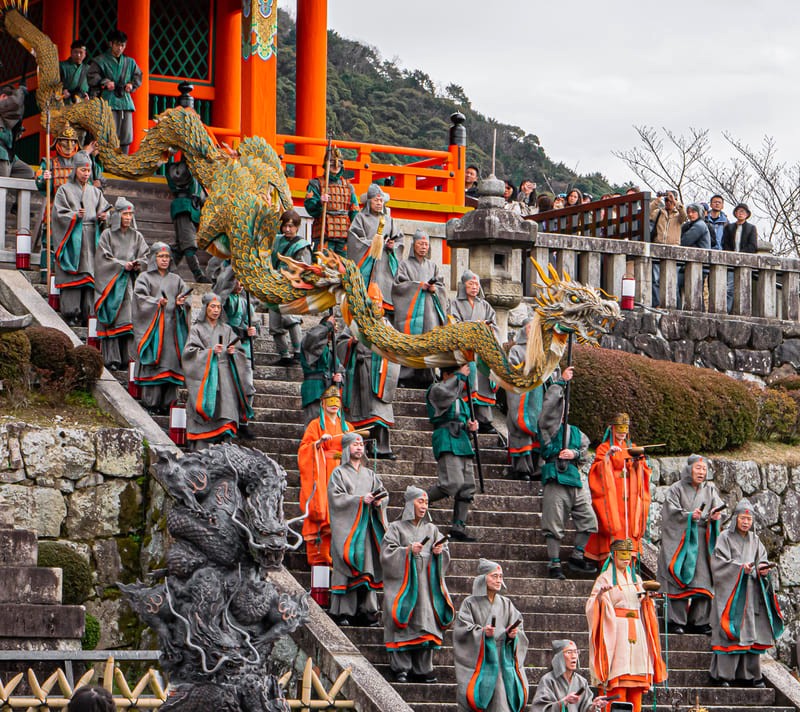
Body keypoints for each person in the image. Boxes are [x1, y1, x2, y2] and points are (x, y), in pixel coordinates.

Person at [381, 486, 454, 683]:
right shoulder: (396, 528)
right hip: (405, 585)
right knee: (403, 619)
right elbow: (387, 554)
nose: (424, 506)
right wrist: (407, 551)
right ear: (410, 503)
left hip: (426, 586)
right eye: (420, 502)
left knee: (426, 623)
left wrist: (440, 553)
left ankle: (423, 668)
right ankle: (401, 667)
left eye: (426, 503)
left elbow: (444, 553)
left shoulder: (432, 529)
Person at [709, 499, 784, 688]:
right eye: (742, 518)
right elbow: (718, 564)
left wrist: (763, 570)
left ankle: (750, 675)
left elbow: (762, 560)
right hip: (732, 594)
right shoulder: (725, 537)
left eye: (748, 520)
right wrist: (740, 569)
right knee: (731, 634)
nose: (745, 522)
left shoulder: (755, 540)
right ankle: (724, 675)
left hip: (751, 593)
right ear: (735, 519)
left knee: (752, 634)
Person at [586, 539, 667, 712]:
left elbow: (642, 604)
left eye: (629, 555)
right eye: (622, 555)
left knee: (636, 686)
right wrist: (601, 597)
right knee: (617, 683)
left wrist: (647, 599)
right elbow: (591, 605)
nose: (626, 559)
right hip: (617, 631)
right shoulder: (605, 578)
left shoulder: (637, 579)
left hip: (637, 630)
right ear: (614, 555)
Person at [656, 454, 724, 635]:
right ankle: (675, 621)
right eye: (698, 468)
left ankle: (700, 621)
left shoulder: (710, 490)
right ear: (689, 470)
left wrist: (715, 517)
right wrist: (688, 516)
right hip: (680, 540)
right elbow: (670, 514)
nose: (701, 472)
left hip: (702, 540)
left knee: (704, 581)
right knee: (677, 579)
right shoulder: (675, 489)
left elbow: (716, 510)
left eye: (704, 469)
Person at [536, 381, 597, 580]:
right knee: (553, 524)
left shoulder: (576, 432)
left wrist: (575, 453)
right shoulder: (547, 428)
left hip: (573, 478)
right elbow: (547, 409)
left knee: (589, 520)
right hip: (555, 477)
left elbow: (585, 452)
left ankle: (577, 555)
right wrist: (560, 382)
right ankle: (554, 563)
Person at [328, 432, 388, 626]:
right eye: (355, 445)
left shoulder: (370, 474)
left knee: (366, 568)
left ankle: (367, 611)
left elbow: (384, 494)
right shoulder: (338, 473)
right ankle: (343, 611)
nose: (359, 448)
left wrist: (379, 501)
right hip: (348, 529)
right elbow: (336, 499)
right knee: (347, 566)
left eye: (361, 444)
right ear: (347, 449)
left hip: (366, 527)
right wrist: (360, 500)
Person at [454, 559, 528, 712]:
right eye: (494, 576)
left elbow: (518, 626)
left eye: (500, 576)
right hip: (481, 657)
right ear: (482, 579)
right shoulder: (469, 603)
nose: (498, 580)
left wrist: (512, 635)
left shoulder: (506, 603)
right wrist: (482, 633)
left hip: (502, 658)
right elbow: (462, 629)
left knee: (501, 698)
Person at [182, 292, 253, 447]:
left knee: (227, 414)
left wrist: (234, 352)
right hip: (206, 376)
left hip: (226, 376)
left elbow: (240, 351)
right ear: (205, 308)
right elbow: (189, 353)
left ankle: (225, 447)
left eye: (219, 307)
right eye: (212, 306)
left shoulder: (227, 329)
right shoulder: (197, 329)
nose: (216, 310)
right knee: (206, 411)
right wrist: (210, 353)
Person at [505, 320, 573, 481]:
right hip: (524, 396)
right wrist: (529, 367)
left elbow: (553, 372)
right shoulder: (516, 350)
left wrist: (561, 378)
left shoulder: (546, 351)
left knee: (541, 430)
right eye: (529, 327)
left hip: (541, 396)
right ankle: (522, 469)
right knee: (521, 432)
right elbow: (510, 373)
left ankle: (538, 468)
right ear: (524, 330)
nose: (532, 331)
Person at [51, 150, 111, 326]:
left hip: (92, 237)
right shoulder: (64, 190)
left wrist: (104, 218)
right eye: (83, 170)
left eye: (88, 170)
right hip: (73, 239)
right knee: (73, 276)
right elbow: (58, 214)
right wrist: (74, 215)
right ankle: (71, 313)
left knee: (90, 276)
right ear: (75, 170)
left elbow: (105, 210)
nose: (86, 174)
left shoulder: (95, 192)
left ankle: (88, 314)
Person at [585, 413, 652, 565]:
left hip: (630, 496)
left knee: (630, 527)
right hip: (612, 495)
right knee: (613, 525)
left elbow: (644, 470)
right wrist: (608, 457)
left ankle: (629, 567)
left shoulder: (632, 448)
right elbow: (596, 470)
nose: (622, 432)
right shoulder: (604, 448)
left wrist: (638, 463)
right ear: (613, 429)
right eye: (619, 428)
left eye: (625, 428)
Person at [132, 242, 190, 414]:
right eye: (161, 256)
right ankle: (152, 402)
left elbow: (185, 300)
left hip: (172, 330)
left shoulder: (176, 280)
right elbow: (139, 299)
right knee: (155, 365)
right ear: (154, 258)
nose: (165, 260)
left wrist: (181, 304)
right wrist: (157, 303)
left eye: (167, 257)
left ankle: (168, 404)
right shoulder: (144, 278)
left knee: (171, 365)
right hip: (155, 330)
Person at [297, 385, 350, 567]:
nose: (334, 404)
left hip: (342, 472)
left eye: (337, 401)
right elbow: (304, 449)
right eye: (330, 400)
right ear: (323, 403)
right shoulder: (315, 425)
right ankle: (320, 553)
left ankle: (340, 553)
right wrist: (318, 443)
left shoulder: (348, 427)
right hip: (323, 470)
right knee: (322, 507)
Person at [94, 197, 149, 369]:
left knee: (129, 321)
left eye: (130, 214)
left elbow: (146, 256)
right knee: (113, 320)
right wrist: (120, 265)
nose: (128, 217)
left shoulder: (137, 236)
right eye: (125, 214)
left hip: (130, 284)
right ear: (118, 215)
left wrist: (138, 264)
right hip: (112, 283)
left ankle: (127, 358)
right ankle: (112, 359)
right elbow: (103, 259)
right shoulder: (107, 235)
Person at [426, 364, 478, 542]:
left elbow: (465, 422)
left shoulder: (462, 401)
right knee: (452, 483)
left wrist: (472, 428)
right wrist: (459, 376)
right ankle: (421, 499)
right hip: (446, 437)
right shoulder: (436, 390)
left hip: (462, 439)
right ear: (446, 374)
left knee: (467, 487)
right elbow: (443, 394)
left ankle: (459, 526)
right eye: (454, 375)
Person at [392, 228, 448, 387]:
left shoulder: (433, 266)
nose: (424, 247)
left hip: (429, 313)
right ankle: (405, 378)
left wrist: (434, 289)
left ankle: (427, 377)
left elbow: (442, 287)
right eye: (420, 243)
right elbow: (398, 287)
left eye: (426, 244)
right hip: (411, 313)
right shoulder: (404, 265)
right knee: (410, 343)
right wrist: (418, 287)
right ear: (413, 246)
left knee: (429, 343)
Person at [338, 327, 399, 460]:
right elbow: (340, 343)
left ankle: (381, 448)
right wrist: (351, 343)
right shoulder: (353, 323)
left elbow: (396, 341)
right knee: (357, 414)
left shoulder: (384, 323)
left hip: (378, 373)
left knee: (379, 413)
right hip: (357, 374)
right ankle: (359, 447)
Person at [448, 271, 499, 434]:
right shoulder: (454, 304)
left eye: (477, 285)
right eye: (471, 284)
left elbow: (495, 326)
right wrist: (474, 326)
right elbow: (452, 324)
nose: (474, 287)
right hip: (465, 351)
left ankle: (484, 420)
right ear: (464, 286)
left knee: (483, 385)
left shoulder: (485, 306)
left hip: (482, 352)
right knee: (468, 385)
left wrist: (488, 327)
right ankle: (467, 419)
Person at [347, 183, 404, 321]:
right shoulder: (361, 218)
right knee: (365, 291)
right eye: (376, 200)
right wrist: (371, 244)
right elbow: (354, 239)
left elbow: (399, 239)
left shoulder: (388, 220)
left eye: (381, 200)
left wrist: (392, 245)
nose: (379, 203)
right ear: (369, 202)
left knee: (387, 289)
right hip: (368, 261)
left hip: (384, 262)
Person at [87, 29, 143, 153]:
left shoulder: (130, 62)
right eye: (117, 44)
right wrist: (105, 82)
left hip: (125, 100)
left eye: (122, 45)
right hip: (108, 99)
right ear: (111, 44)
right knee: (109, 132)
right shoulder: (100, 60)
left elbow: (138, 75)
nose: (120, 48)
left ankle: (123, 159)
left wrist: (131, 85)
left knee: (126, 133)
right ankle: (107, 162)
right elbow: (91, 75)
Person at [270, 209, 311, 365]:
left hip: (291, 286)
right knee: (274, 324)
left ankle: (298, 351)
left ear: (297, 227)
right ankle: (284, 354)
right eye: (285, 226)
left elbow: (304, 269)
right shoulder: (277, 241)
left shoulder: (302, 246)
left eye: (291, 226)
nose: (287, 229)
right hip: (274, 284)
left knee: (291, 319)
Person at [303, 146, 359, 257]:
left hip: (343, 233)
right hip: (324, 230)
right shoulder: (316, 183)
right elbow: (310, 205)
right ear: (326, 164)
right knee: (321, 265)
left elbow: (354, 210)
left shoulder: (348, 186)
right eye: (332, 163)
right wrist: (320, 202)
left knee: (343, 267)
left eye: (338, 163)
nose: (335, 166)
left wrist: (356, 232)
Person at [165, 158, 211, 282]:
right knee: (189, 244)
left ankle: (164, 272)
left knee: (180, 247)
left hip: (191, 207)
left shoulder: (195, 169)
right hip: (184, 208)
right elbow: (179, 176)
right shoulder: (181, 168)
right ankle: (198, 275)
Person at [531, 639, 609, 712]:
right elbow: (539, 709)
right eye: (569, 652)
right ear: (559, 657)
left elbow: (586, 708)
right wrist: (564, 702)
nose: (574, 656)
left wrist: (594, 706)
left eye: (575, 652)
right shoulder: (548, 680)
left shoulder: (581, 681)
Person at [300, 314, 343, 425]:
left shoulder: (330, 351)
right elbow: (313, 336)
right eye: (334, 327)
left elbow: (340, 369)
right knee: (314, 424)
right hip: (314, 389)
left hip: (329, 391)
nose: (336, 329)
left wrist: (338, 377)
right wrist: (327, 325)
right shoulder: (309, 343)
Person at [649, 191, 687, 306]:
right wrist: (658, 199)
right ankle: (657, 303)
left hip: (673, 249)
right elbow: (647, 211)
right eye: (667, 200)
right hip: (658, 248)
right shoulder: (660, 212)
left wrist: (675, 201)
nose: (668, 203)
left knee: (672, 281)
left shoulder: (678, 215)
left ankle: (674, 305)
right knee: (655, 280)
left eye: (670, 201)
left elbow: (684, 215)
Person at [722, 203, 758, 313]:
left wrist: (741, 254)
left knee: (744, 288)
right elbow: (725, 243)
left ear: (747, 215)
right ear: (735, 213)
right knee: (729, 288)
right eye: (739, 211)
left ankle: (743, 312)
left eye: (743, 212)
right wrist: (732, 255)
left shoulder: (751, 228)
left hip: (745, 261)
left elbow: (752, 246)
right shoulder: (729, 227)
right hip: (731, 261)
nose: (741, 213)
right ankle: (726, 310)